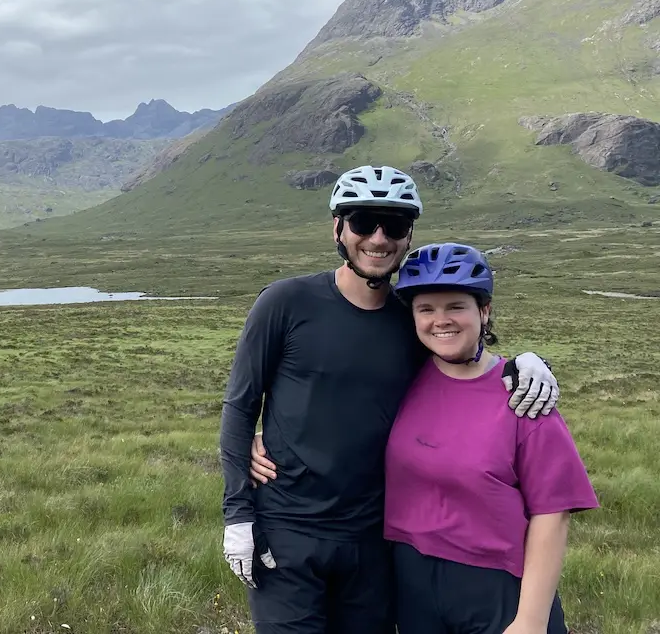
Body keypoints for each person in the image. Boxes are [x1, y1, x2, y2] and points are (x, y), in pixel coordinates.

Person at [220, 164, 560, 634]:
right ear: (338, 228)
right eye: (363, 222)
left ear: (408, 235)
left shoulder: (411, 319)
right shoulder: (284, 303)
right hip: (287, 531)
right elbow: (240, 406)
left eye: (395, 225)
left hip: (374, 542)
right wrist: (237, 515)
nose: (378, 238)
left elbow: (462, 359)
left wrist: (526, 362)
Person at [382, 241, 598, 633]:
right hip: (412, 583)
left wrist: (530, 620)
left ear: (484, 311)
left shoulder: (523, 395)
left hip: (497, 590)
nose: (440, 320)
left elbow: (553, 514)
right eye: (426, 309)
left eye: (456, 307)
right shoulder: (401, 379)